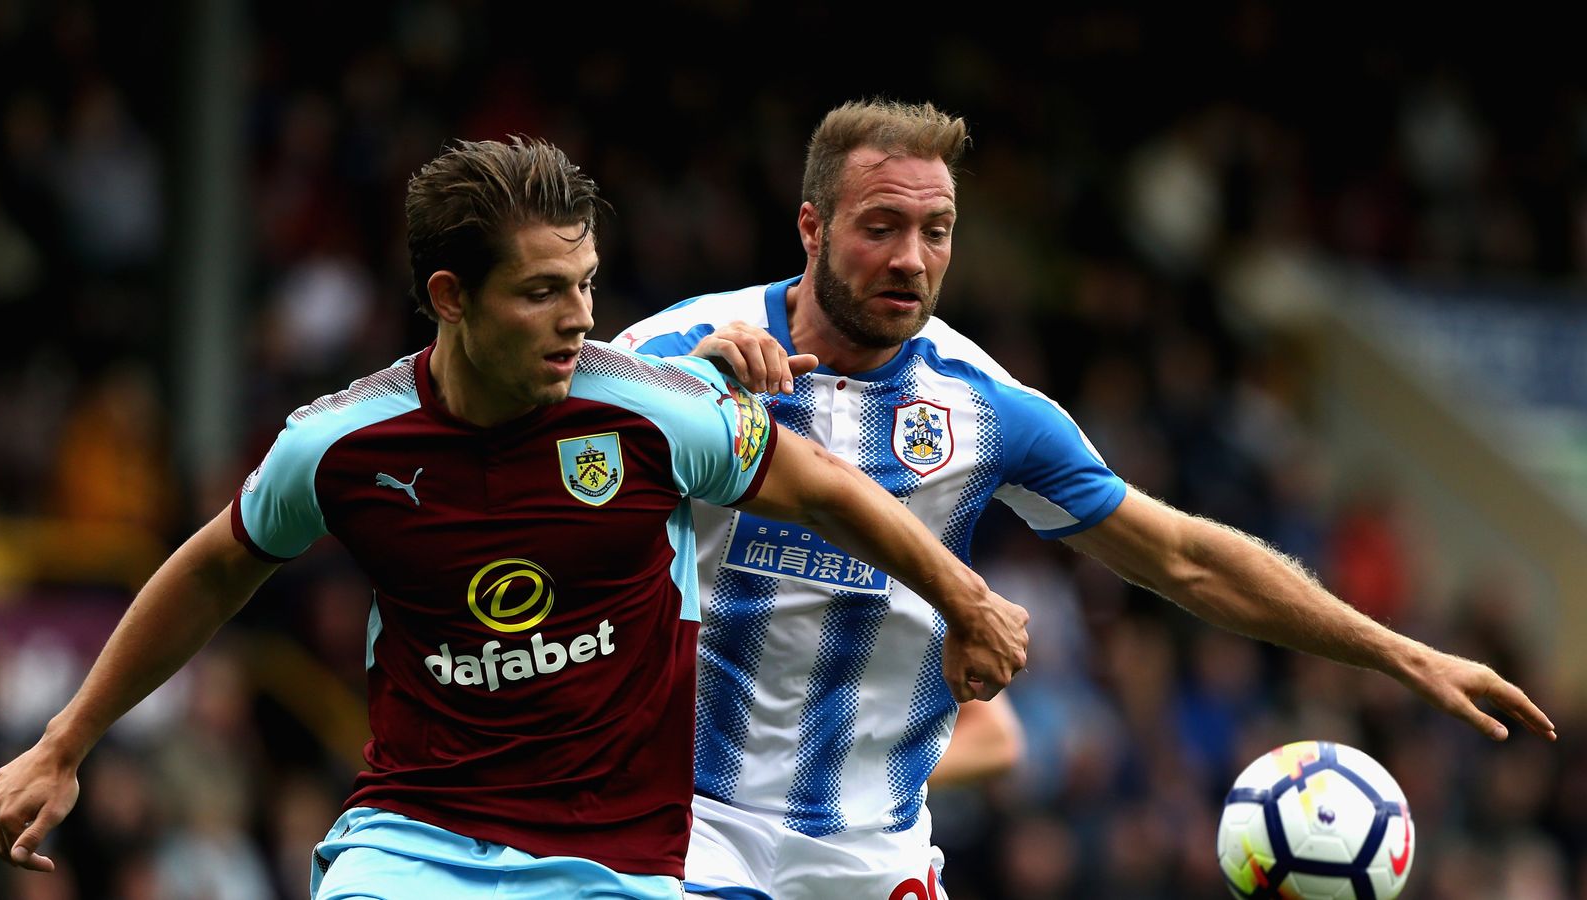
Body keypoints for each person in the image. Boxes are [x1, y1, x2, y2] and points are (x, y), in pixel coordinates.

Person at [0, 135, 1031, 900]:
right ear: (450, 296)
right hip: (413, 842)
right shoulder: (342, 444)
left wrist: (965, 599)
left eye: (583, 283)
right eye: (540, 293)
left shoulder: (654, 409)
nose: (580, 318)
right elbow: (217, 567)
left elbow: (825, 488)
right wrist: (64, 745)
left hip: (617, 864)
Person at [616, 99, 1558, 900]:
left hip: (876, 852)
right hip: (684, 824)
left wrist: (1399, 654)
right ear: (812, 227)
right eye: (880, 227)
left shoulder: (989, 410)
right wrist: (660, 408)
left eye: (936, 231)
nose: (911, 258)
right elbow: (525, 470)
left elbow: (1184, 557)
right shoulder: (682, 351)